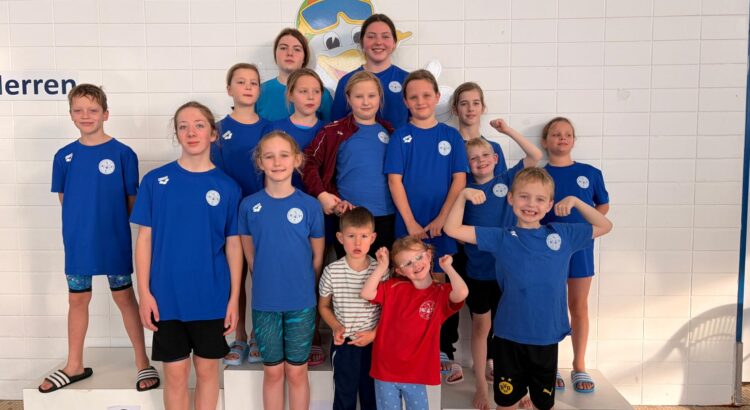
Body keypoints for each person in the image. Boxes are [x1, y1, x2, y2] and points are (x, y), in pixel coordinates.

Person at [444, 167, 613, 410]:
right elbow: (452, 229)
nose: (531, 204)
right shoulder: (502, 237)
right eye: (524, 196)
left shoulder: (563, 234)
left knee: (543, 404)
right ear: (511, 198)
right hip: (508, 337)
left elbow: (605, 225)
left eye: (540, 199)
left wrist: (576, 201)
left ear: (549, 204)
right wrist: (462, 196)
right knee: (507, 403)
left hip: (546, 336)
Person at [42, 84, 159, 394]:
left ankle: (142, 361)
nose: (86, 115)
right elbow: (66, 200)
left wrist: (109, 225)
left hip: (113, 240)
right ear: (70, 115)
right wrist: (82, 227)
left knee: (124, 297)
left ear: (105, 114)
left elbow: (132, 202)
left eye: (92, 110)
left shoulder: (123, 154)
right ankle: (74, 364)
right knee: (77, 299)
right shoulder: (63, 156)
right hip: (78, 243)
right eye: (78, 110)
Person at [132, 101, 243, 410]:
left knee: (207, 373)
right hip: (166, 298)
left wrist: (233, 299)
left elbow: (234, 246)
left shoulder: (228, 187)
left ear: (213, 134)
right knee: (176, 375)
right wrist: (144, 293)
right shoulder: (155, 181)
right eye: (183, 126)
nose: (191, 132)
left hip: (211, 296)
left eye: (199, 125)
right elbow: (144, 240)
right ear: (177, 134)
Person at [384, 69, 468, 383]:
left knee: (439, 286)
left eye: (426, 95)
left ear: (437, 97)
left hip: (442, 226)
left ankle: (443, 349)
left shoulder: (451, 136)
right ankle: (410, 347)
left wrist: (442, 219)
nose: (420, 101)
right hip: (409, 228)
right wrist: (410, 223)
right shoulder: (400, 136)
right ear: (406, 102)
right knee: (409, 288)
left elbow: (459, 179)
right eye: (414, 96)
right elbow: (395, 181)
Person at [238, 131, 325, 410]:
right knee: (273, 372)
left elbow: (316, 258)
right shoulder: (249, 206)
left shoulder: (310, 206)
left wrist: (301, 285)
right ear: (260, 162)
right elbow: (251, 258)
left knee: (297, 372)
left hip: (301, 302)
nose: (277, 162)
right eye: (269, 156)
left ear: (297, 160)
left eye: (284, 155)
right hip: (265, 303)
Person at [462, 120, 543, 409]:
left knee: (510, 328)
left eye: (485, 155)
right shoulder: (464, 189)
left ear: (496, 158)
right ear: (466, 164)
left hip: (510, 269)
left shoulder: (507, 181)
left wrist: (506, 131)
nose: (480, 160)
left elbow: (535, 155)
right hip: (479, 271)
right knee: (481, 327)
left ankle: (517, 386)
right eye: (474, 158)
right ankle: (481, 386)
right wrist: (463, 195)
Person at [540, 117, 610, 393]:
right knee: (551, 306)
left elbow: (602, 207)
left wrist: (585, 228)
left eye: (567, 134)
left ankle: (579, 364)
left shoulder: (590, 173)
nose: (562, 138)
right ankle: (550, 364)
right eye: (556, 134)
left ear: (574, 140)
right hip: (547, 250)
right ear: (545, 141)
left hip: (581, 248)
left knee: (578, 306)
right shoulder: (539, 175)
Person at [361, 236, 468, 410]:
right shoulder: (394, 287)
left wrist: (448, 268)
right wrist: (381, 267)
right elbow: (367, 293)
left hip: (415, 372)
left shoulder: (440, 293)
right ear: (400, 271)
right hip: (385, 369)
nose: (416, 264)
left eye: (419, 257)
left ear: (429, 255)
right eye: (408, 263)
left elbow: (462, 292)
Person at [212, 62, 270, 366]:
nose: (248, 87)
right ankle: (239, 335)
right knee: (236, 275)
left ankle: (259, 335)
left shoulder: (269, 128)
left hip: (263, 213)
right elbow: (213, 174)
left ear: (260, 90)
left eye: (253, 82)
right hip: (231, 213)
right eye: (241, 82)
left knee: (260, 273)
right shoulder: (218, 130)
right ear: (229, 89)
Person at [303, 71, 396, 257]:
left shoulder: (390, 132)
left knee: (382, 271)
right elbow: (307, 163)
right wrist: (322, 195)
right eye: (359, 96)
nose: (366, 102)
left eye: (371, 96)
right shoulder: (333, 131)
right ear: (348, 99)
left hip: (386, 216)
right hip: (349, 217)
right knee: (350, 273)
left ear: (380, 97)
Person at [318, 207, 386, 410]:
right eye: (351, 236)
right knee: (344, 397)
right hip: (344, 344)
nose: (358, 243)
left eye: (364, 236)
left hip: (374, 343)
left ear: (373, 238)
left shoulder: (380, 271)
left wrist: (374, 334)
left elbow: (389, 311)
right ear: (340, 238)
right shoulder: (332, 271)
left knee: (372, 397)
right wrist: (336, 326)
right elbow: (323, 306)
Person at [331, 14, 409, 128]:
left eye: (385, 36)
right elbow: (336, 128)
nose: (378, 42)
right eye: (371, 37)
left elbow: (418, 124)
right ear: (362, 43)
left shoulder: (408, 80)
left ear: (394, 43)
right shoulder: (346, 82)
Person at [256, 28, 332, 122]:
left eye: (297, 49)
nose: (290, 53)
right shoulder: (259, 92)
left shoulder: (320, 94)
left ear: (304, 57)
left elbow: (331, 128)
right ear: (275, 54)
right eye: (283, 48)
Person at [268, 68, 326, 191]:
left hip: (320, 200)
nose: (311, 97)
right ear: (290, 95)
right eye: (303, 91)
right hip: (282, 198)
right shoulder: (275, 129)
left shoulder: (330, 130)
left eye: (316, 91)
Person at [451, 81, 508, 174]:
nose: (470, 109)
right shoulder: (449, 147)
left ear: (483, 108)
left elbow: (501, 182)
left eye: (476, 103)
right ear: (455, 110)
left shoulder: (494, 148)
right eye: (464, 104)